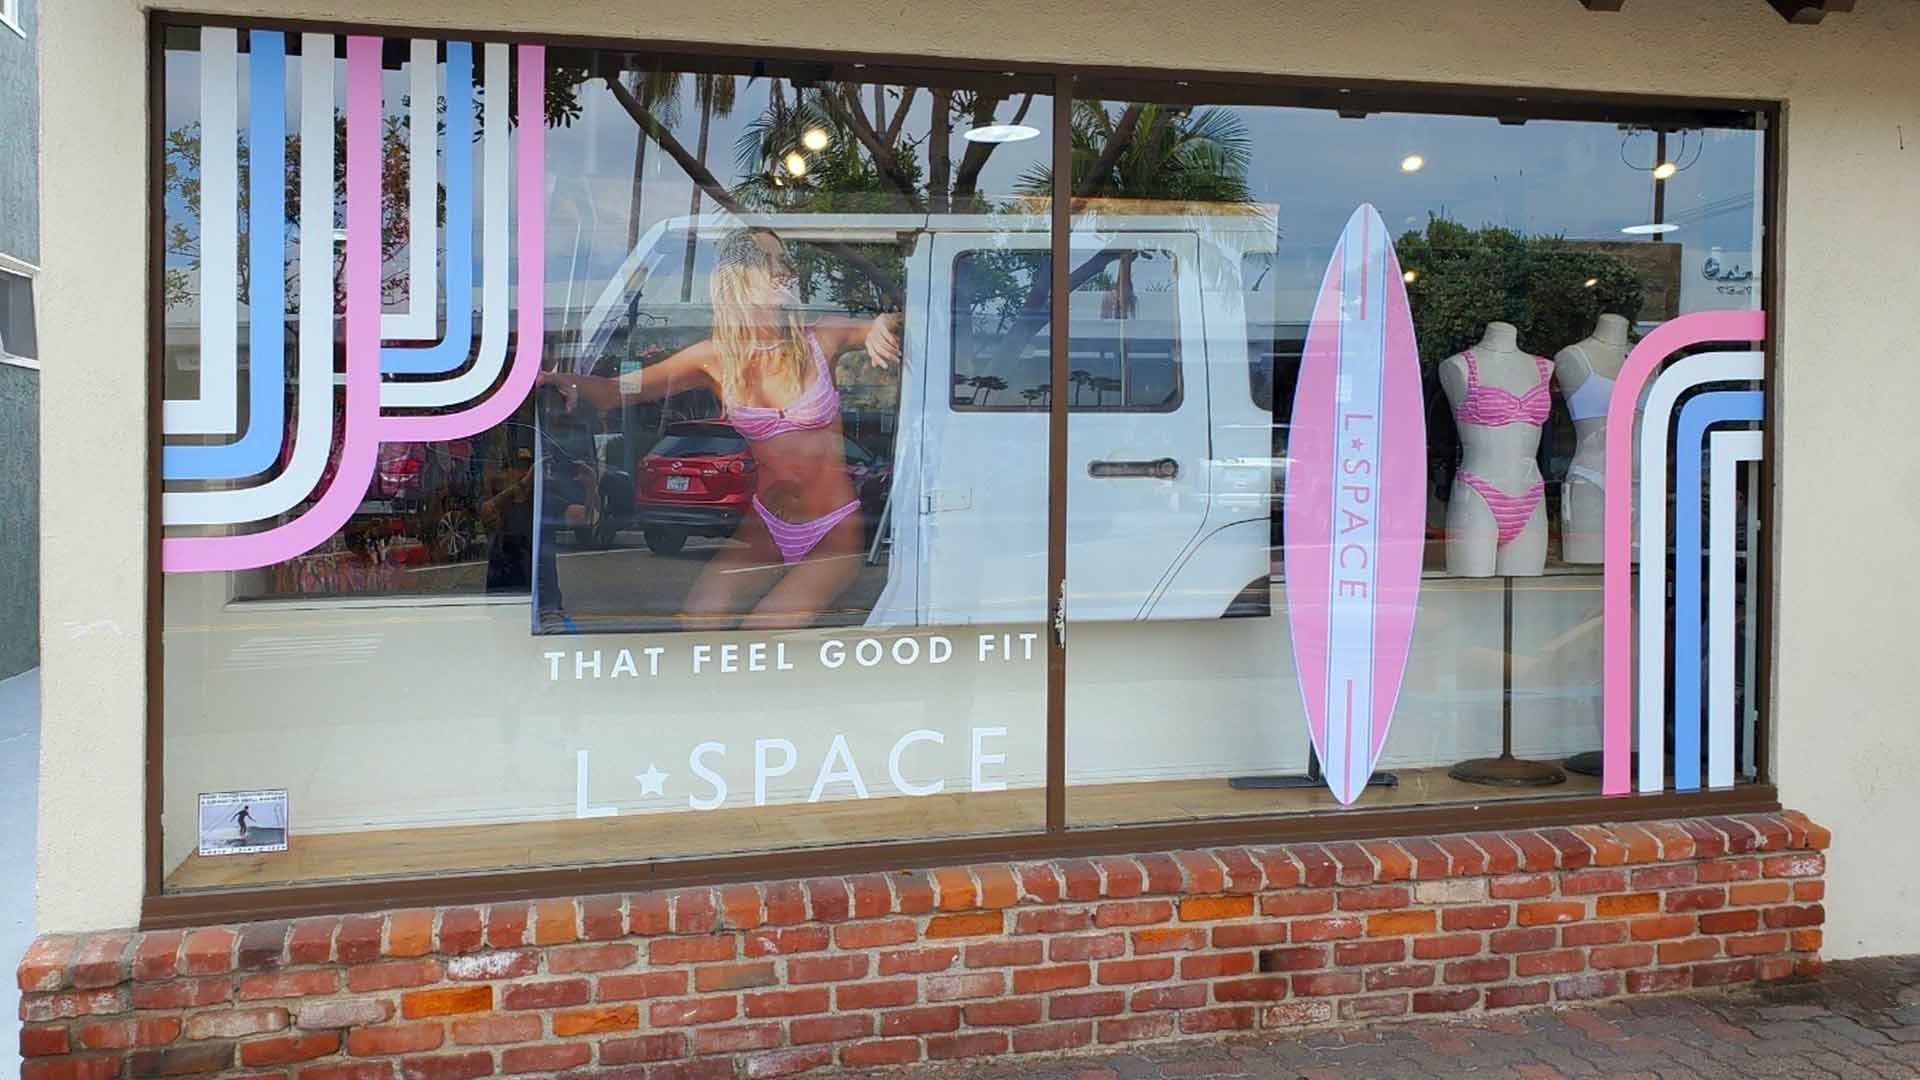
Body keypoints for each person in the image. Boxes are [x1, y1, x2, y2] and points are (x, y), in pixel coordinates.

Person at [545, 229, 902, 630]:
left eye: (784, 259)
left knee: (762, 633)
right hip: (768, 522)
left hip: (833, 526)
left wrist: (881, 326)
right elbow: (620, 390)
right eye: (770, 261)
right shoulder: (715, 359)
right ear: (739, 278)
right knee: (698, 620)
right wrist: (571, 383)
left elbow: (886, 321)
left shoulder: (821, 338)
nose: (785, 270)